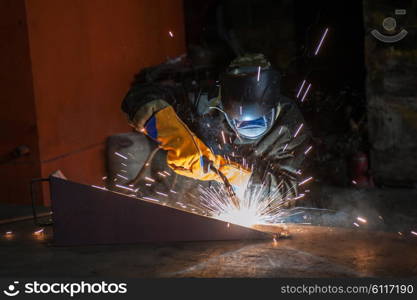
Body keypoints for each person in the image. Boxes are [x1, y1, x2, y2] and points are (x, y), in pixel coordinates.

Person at [120, 53, 310, 207]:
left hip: (255, 207)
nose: (248, 128)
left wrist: (231, 173)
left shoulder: (290, 123)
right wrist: (166, 127)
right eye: (239, 122)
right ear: (221, 101)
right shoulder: (203, 102)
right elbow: (140, 95)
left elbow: (289, 192)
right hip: (195, 201)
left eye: (261, 120)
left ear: (275, 105)